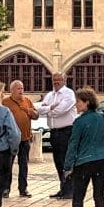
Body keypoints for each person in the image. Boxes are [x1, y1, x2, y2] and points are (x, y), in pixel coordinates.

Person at [63, 86, 104, 207]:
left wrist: (67, 166)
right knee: (99, 197)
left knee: (78, 198)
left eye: (78, 102)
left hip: (84, 163)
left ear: (87, 102)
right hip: (102, 161)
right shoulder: (103, 117)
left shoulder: (79, 122)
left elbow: (73, 145)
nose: (76, 105)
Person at [38, 72, 77, 200]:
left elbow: (61, 110)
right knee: (58, 161)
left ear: (64, 80)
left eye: (59, 79)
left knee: (67, 161)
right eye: (54, 80)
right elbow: (39, 110)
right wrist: (50, 108)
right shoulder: (50, 95)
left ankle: (70, 190)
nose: (56, 82)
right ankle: (63, 188)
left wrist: (48, 110)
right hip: (54, 132)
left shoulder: (69, 94)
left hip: (66, 131)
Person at [2, 79, 38, 197]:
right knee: (8, 164)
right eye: (18, 88)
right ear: (12, 90)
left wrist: (30, 111)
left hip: (25, 138)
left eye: (22, 88)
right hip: (10, 140)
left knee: (24, 165)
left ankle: (23, 189)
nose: (21, 91)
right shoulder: (5, 102)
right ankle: (6, 189)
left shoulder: (27, 101)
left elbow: (36, 116)